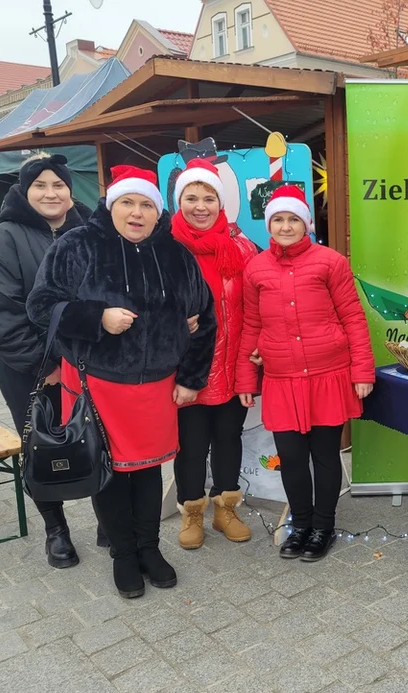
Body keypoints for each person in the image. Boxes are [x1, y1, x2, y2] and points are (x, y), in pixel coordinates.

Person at [28, 165, 216, 599]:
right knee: (109, 471)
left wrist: (191, 378)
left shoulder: (176, 254)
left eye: (146, 205)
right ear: (112, 205)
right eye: (128, 203)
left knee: (148, 471)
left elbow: (205, 319)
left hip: (156, 385)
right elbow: (41, 306)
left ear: (158, 212)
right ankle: (123, 555)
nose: (136, 213)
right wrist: (96, 317)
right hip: (97, 382)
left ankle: (150, 549)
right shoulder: (78, 245)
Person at [236, 185, 375, 563]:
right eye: (278, 219)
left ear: (306, 223)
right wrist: (246, 379)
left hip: (327, 376)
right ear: (269, 225)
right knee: (292, 458)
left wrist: (362, 371)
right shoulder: (256, 268)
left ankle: (323, 527)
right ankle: (300, 524)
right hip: (281, 380)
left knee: (325, 456)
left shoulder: (331, 262)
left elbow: (352, 317)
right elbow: (250, 326)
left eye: (293, 219)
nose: (285, 226)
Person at [0, 153, 96, 569]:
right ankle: (55, 529)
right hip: (30, 369)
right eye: (40, 185)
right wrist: (44, 367)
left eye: (58, 184)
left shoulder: (91, 231)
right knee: (41, 444)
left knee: (98, 440)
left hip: (88, 364)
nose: (50, 193)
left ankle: (108, 520)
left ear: (70, 190)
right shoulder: (6, 237)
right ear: (25, 192)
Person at [170, 159, 258, 549]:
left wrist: (254, 361)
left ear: (221, 204)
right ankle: (191, 513)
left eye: (209, 197)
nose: (200, 206)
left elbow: (257, 308)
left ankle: (226, 508)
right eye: (192, 197)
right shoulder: (164, 251)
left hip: (233, 365)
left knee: (228, 438)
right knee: (190, 445)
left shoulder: (241, 248)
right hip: (188, 371)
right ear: (179, 202)